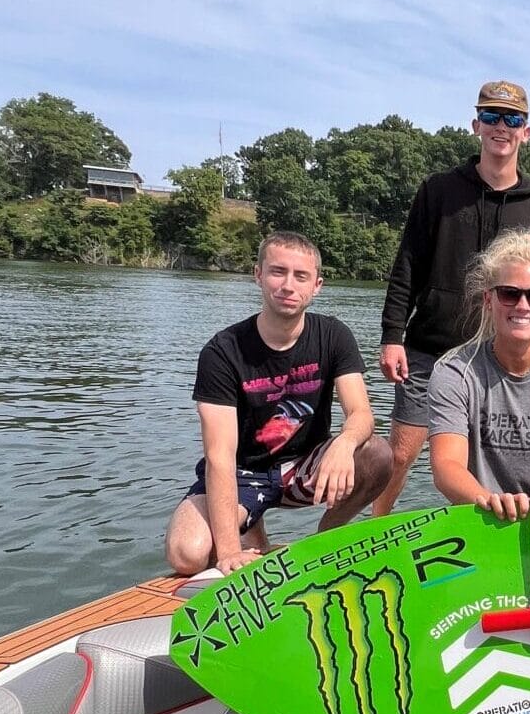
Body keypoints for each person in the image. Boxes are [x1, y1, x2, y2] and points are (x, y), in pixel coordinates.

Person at [373, 80, 530, 516]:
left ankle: (493, 537)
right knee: (400, 455)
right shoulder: (438, 191)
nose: (502, 126)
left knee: (488, 460)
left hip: (500, 355)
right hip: (431, 346)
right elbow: (408, 264)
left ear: (526, 133)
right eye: (492, 116)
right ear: (476, 124)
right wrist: (391, 334)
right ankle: (375, 529)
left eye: (512, 119)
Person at [165, 231, 393, 576]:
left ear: (317, 286)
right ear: (258, 275)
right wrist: (227, 553)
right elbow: (219, 455)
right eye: (277, 272)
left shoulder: (334, 336)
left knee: (377, 454)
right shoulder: (222, 352)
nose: (288, 285)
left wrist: (345, 443)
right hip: (244, 472)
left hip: (304, 468)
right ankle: (251, 534)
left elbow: (361, 413)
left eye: (300, 276)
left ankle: (324, 543)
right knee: (188, 555)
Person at [428, 229, 530, 521]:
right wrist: (492, 503)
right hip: (476, 514)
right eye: (509, 293)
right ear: (489, 299)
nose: (522, 306)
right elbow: (446, 465)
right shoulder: (454, 372)